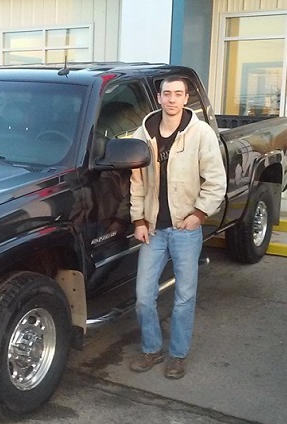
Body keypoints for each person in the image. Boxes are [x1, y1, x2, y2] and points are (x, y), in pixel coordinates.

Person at [128, 75, 226, 379]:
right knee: (144, 296)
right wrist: (139, 219)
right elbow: (137, 181)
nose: (172, 99)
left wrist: (199, 214)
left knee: (184, 296)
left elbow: (216, 181)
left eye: (178, 94)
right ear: (159, 97)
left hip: (185, 230)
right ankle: (152, 349)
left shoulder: (201, 134)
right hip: (154, 230)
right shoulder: (143, 133)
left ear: (187, 99)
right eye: (167, 93)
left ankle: (178, 355)